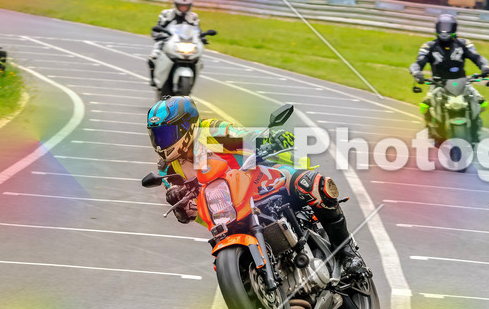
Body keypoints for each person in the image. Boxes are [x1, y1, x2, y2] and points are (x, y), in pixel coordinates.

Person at [146, 95, 367, 275]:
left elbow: (245, 136)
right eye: (156, 135)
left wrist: (271, 138)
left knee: (313, 185)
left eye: (165, 134)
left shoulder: (210, 131)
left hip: (257, 182)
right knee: (223, 259)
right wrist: (179, 204)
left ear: (186, 126)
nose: (160, 142)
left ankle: (347, 253)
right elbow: (187, 213)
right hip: (227, 212)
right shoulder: (168, 168)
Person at [408, 14, 489, 133]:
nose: (444, 31)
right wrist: (417, 73)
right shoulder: (428, 47)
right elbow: (417, 63)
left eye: (448, 27)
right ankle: (432, 129)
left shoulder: (464, 44)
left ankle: (475, 126)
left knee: (481, 101)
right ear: (436, 28)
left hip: (462, 83)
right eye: (442, 27)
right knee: (426, 104)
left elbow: (478, 57)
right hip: (437, 83)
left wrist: (485, 67)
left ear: (454, 28)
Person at [148, 0, 200, 87]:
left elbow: (197, 31)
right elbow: (157, 27)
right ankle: (154, 79)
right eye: (181, 6)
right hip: (167, 41)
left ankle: (192, 81)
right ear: (176, 5)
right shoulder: (166, 14)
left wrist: (202, 37)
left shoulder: (193, 17)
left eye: (186, 6)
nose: (183, 8)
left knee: (199, 59)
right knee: (153, 57)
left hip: (186, 42)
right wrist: (158, 35)